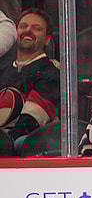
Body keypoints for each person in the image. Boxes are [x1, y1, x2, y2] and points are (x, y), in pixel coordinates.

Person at [0, 9, 60, 145]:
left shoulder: (51, 73)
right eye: (23, 26)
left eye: (36, 28)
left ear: (47, 39)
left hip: (27, 144)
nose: (28, 30)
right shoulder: (3, 72)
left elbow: (29, 123)